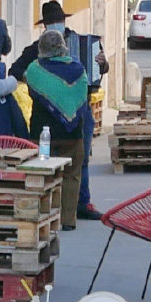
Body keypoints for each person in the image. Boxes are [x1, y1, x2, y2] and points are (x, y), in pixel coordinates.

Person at [10, 0, 108, 220]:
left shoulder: (86, 44)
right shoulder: (37, 50)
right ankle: (53, 211)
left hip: (80, 111)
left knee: (80, 161)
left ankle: (80, 205)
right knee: (46, 164)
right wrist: (39, 79)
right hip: (45, 116)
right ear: (45, 25)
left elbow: (98, 71)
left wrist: (102, 64)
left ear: (64, 21)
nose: (56, 24)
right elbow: (15, 70)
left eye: (59, 20)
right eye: (52, 22)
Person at [23, 30, 90, 230]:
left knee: (42, 175)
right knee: (72, 175)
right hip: (73, 133)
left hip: (41, 133)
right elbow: (83, 99)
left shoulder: (35, 69)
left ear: (41, 48)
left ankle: (43, 219)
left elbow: (33, 91)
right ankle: (68, 220)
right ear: (63, 47)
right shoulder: (78, 70)